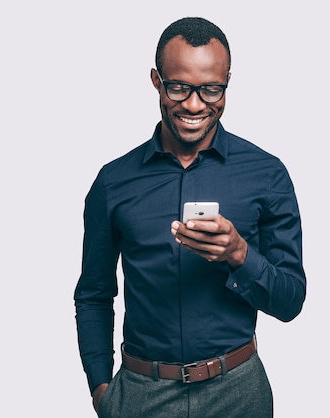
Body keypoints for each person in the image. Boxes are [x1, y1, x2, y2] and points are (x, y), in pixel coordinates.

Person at [74, 16, 306, 417]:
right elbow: (94, 294)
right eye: (179, 87)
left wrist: (239, 254)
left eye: (211, 89)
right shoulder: (113, 182)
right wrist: (101, 390)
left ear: (227, 82)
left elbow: (290, 301)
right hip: (141, 395)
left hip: (239, 394)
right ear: (156, 81)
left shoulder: (266, 175)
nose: (195, 104)